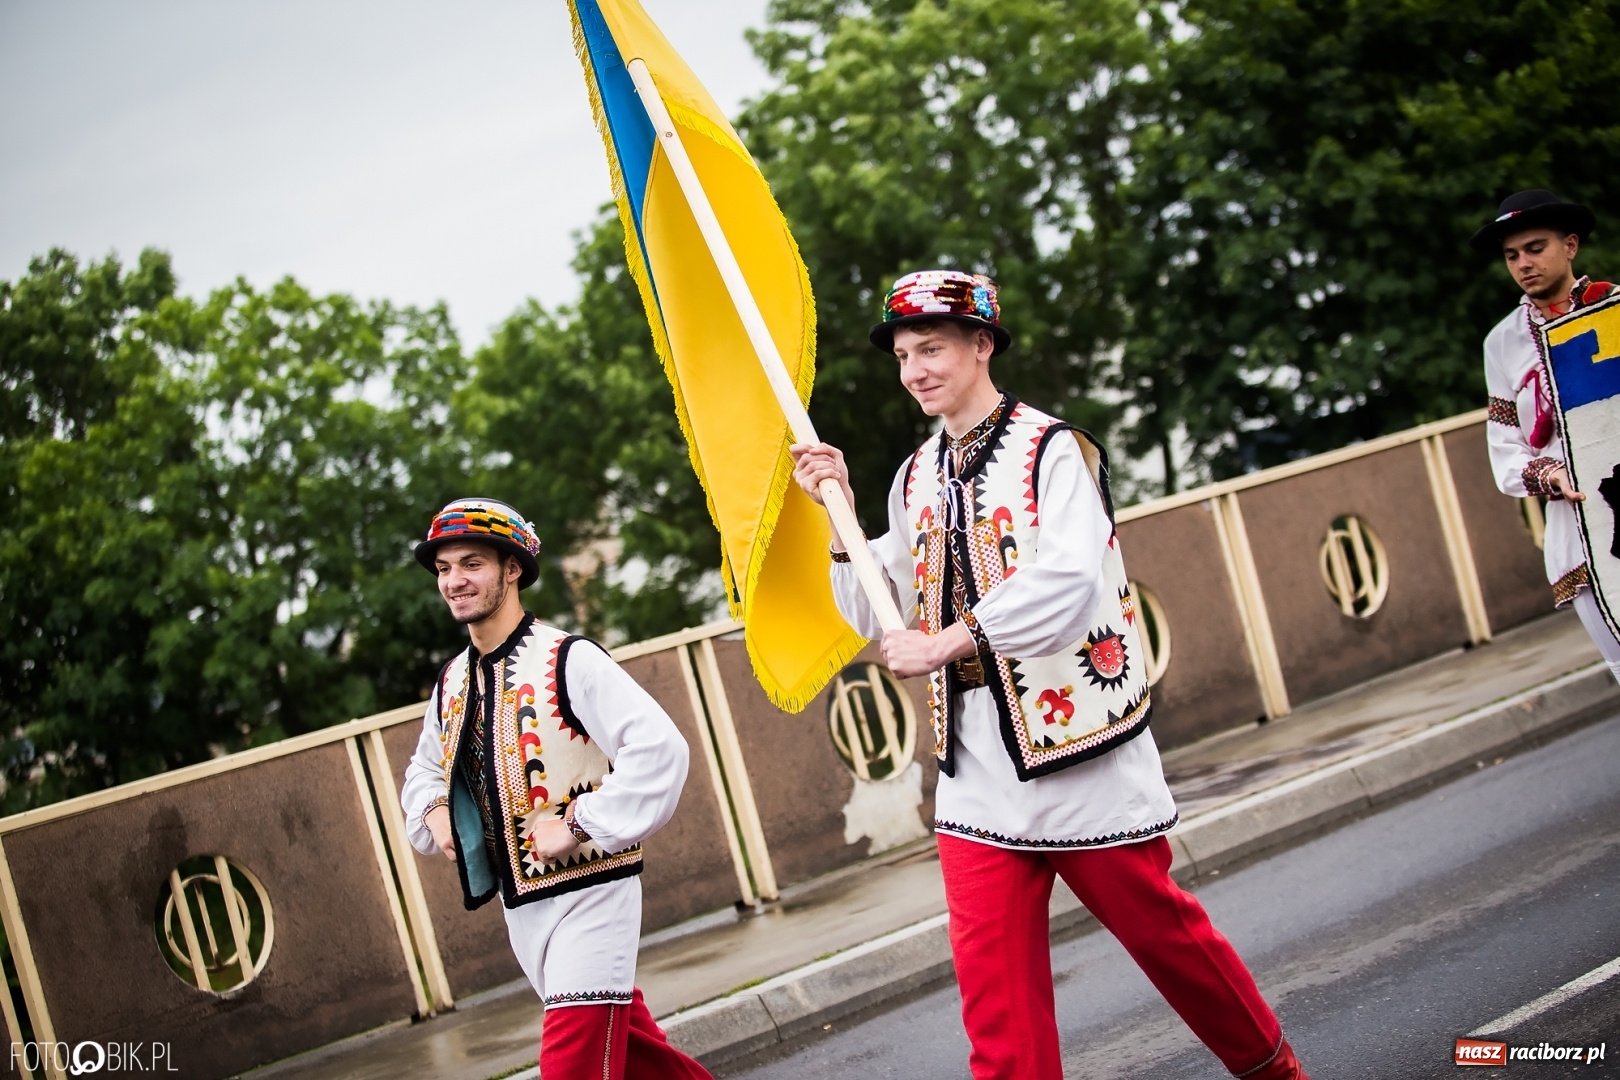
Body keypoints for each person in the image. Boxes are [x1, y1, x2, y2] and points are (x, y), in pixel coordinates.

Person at [791, 270, 1308, 1080]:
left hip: (1081, 750)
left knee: (1168, 944)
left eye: (931, 348)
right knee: (996, 1004)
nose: (915, 370)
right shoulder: (912, 477)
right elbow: (873, 608)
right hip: (974, 770)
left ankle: (1277, 1072)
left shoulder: (1054, 450)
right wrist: (841, 514)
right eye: (902, 355)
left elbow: (1068, 585)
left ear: (982, 344)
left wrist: (951, 640)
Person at [400, 498, 711, 1080]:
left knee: (570, 1069)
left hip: (595, 896)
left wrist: (577, 824)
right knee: (640, 1060)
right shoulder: (453, 682)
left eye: (471, 563)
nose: (454, 581)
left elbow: (660, 750)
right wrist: (435, 810)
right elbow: (423, 769)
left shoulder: (569, 659)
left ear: (512, 568)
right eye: (443, 568)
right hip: (522, 912)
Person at [1473, 189, 1620, 681]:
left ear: (1571, 245)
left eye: (1536, 248)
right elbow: (1505, 450)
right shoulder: (1502, 343)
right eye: (1512, 255)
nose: (1523, 264)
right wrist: (1548, 473)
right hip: (1578, 535)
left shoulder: (1614, 309)